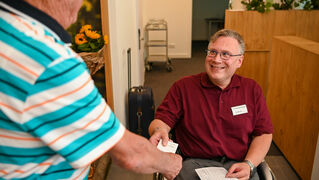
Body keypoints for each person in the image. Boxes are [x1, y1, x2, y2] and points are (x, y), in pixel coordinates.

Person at [0, 0, 182, 179]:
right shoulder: (50, 61)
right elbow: (130, 155)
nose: (80, 5)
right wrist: (170, 163)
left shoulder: (7, 28)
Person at [149, 29, 273, 180]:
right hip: (194, 165)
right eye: (212, 52)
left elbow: (264, 133)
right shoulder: (183, 87)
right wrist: (159, 130)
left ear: (239, 61)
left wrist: (249, 164)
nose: (217, 59)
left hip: (239, 166)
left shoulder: (252, 89)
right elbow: (161, 121)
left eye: (225, 54)